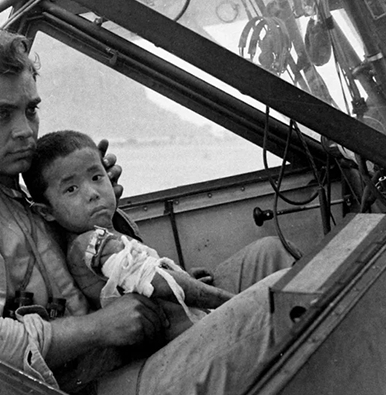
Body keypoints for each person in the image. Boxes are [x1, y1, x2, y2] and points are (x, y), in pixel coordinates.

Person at [0, 22, 295, 395]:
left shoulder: (13, 190)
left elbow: (81, 268)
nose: (25, 130)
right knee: (282, 302)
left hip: (118, 356)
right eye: (2, 113)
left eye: (31, 110)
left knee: (268, 257)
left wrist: (100, 210)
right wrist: (99, 327)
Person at [23, 129, 235, 340]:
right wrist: (231, 301)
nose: (92, 193)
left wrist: (185, 277)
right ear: (46, 212)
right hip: (188, 336)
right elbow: (158, 282)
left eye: (97, 177)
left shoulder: (104, 232)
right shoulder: (89, 243)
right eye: (71, 189)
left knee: (267, 249)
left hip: (195, 323)